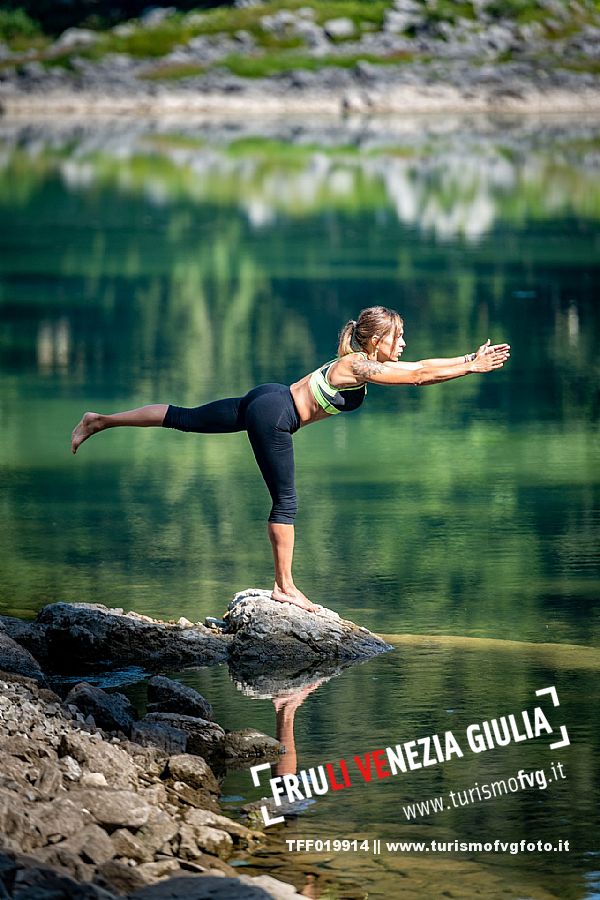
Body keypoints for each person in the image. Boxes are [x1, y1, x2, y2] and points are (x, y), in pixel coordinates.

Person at [71, 306, 510, 613]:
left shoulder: (356, 360)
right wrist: (470, 368)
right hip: (276, 415)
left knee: (183, 418)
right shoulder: (357, 367)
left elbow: (419, 368)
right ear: (377, 341)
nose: (405, 343)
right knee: (286, 502)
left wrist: (470, 359)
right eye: (399, 337)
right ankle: (284, 588)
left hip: (270, 396)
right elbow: (416, 375)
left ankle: (100, 420)